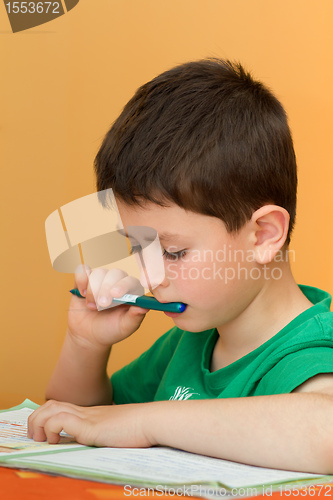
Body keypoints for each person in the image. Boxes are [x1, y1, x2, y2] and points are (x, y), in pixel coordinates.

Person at [28, 59, 333, 473]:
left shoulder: (310, 350)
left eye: (172, 252)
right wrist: (86, 345)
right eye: (136, 247)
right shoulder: (192, 340)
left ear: (263, 234)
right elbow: (77, 422)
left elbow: (325, 431)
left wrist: (144, 421)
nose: (151, 277)